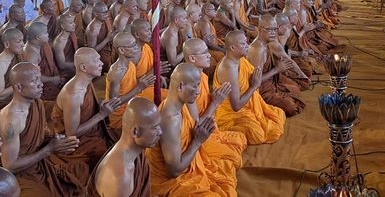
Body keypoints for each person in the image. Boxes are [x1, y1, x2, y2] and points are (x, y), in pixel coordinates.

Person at [147, 63, 240, 196]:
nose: (198, 91)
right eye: (195, 86)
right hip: (169, 181)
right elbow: (173, 171)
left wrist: (215, 103)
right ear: (180, 86)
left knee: (231, 160)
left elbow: (195, 124)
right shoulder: (170, 120)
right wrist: (197, 141)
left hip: (187, 165)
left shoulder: (180, 104)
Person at [0, 62, 88, 195]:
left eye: (40, 79)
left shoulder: (36, 103)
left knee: (79, 170)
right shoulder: (11, 120)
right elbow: (9, 166)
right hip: (19, 174)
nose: (41, 84)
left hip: (37, 162)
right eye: (34, 81)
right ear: (19, 87)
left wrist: (56, 141)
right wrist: (49, 149)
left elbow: (39, 134)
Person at [213, 30, 286, 145]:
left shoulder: (240, 60)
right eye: (243, 44)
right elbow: (236, 106)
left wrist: (254, 84)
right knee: (257, 134)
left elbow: (253, 79)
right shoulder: (229, 68)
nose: (248, 46)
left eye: (246, 42)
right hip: (229, 114)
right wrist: (253, 87)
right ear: (233, 47)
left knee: (278, 114)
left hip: (246, 105)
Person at [51, 48, 121, 169]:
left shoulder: (86, 81)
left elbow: (88, 105)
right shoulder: (73, 94)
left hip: (92, 130)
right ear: (83, 68)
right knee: (107, 157)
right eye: (96, 61)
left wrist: (100, 104)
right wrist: (101, 115)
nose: (102, 63)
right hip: (77, 142)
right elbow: (71, 134)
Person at [90, 97, 160, 197]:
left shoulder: (136, 151)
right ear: (135, 132)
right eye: (155, 128)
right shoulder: (120, 177)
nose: (160, 132)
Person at [247, 14, 304, 116]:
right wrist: (277, 69)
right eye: (270, 30)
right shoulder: (258, 50)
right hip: (260, 92)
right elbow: (254, 82)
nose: (274, 33)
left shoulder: (266, 43)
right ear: (260, 29)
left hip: (271, 84)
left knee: (295, 89)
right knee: (291, 108)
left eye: (275, 29)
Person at [105, 32, 157, 131]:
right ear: (121, 50)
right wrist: (139, 87)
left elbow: (129, 83)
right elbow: (113, 103)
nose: (136, 48)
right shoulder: (117, 72)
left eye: (135, 44)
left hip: (134, 98)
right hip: (122, 114)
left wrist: (143, 82)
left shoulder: (130, 62)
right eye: (133, 45)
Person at [22, 22, 65, 101]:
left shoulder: (42, 44)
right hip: (41, 87)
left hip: (51, 78)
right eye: (45, 33)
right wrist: (53, 79)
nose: (48, 34)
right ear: (38, 37)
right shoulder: (31, 54)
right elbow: (33, 78)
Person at [0, 28, 24, 110]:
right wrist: (22, 82)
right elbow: (0, 95)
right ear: (7, 44)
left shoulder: (18, 55)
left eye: (22, 40)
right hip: (5, 104)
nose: (23, 44)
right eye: (18, 41)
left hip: (19, 95)